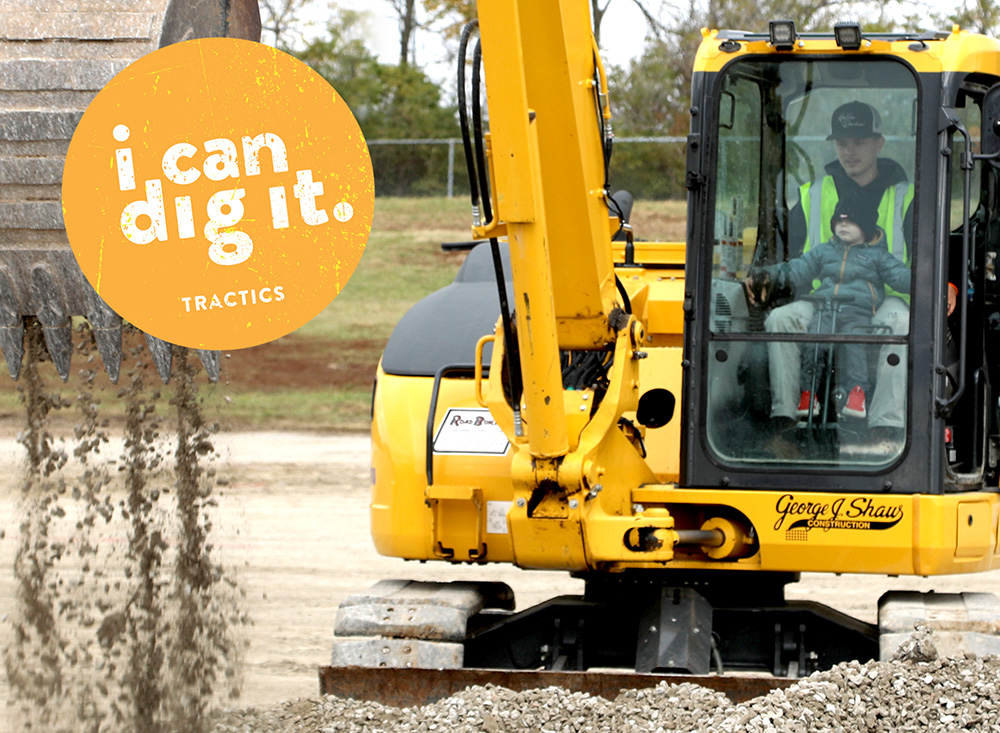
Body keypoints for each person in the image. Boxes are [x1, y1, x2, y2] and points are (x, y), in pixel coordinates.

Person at [758, 101, 914, 441]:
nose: (850, 151)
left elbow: (930, 255)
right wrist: (767, 276)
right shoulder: (813, 195)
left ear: (879, 143)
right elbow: (789, 252)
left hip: (885, 299)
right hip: (823, 298)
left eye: (859, 142)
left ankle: (885, 426)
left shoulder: (906, 197)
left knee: (902, 323)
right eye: (842, 143)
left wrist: (943, 285)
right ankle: (785, 420)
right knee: (779, 320)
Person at [748, 200, 911, 420]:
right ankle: (808, 394)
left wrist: (932, 281)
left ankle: (857, 393)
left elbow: (900, 276)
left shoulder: (877, 256)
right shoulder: (824, 251)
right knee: (814, 345)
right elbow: (798, 268)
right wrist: (768, 275)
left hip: (857, 312)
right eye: (839, 221)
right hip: (825, 308)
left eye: (851, 222)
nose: (843, 226)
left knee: (856, 344)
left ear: (866, 228)